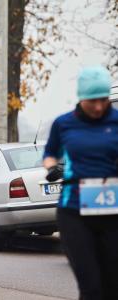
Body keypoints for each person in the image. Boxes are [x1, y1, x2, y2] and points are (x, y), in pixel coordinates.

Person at [43, 65, 118, 300]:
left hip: (113, 210)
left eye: (104, 100)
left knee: (113, 286)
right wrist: (52, 168)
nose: (98, 107)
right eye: (92, 100)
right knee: (91, 287)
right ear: (81, 98)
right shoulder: (63, 124)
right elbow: (49, 154)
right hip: (74, 211)